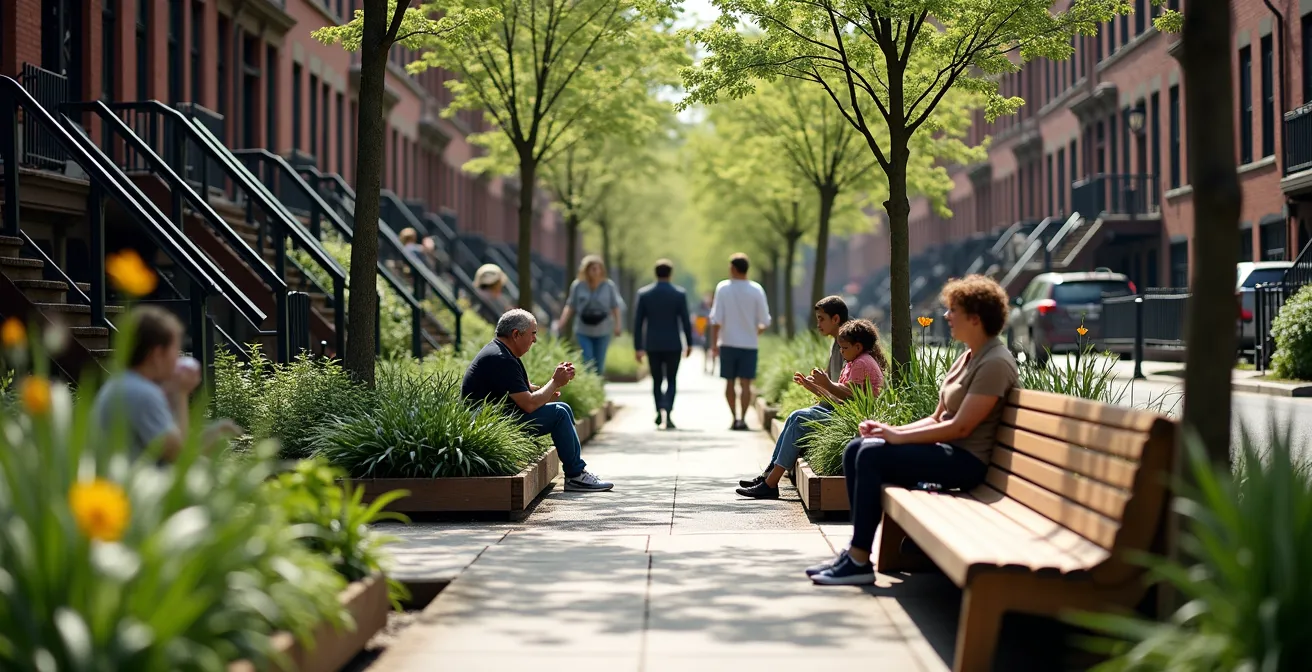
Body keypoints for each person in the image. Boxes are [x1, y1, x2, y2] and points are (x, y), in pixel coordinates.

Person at [809, 275, 1019, 585]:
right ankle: (856, 553)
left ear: (975, 318)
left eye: (953, 310)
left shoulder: (995, 363)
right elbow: (937, 417)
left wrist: (897, 437)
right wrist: (889, 429)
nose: (946, 316)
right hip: (949, 452)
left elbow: (960, 428)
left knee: (870, 456)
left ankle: (858, 559)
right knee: (858, 447)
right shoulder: (968, 357)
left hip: (966, 462)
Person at [737, 315, 889, 499]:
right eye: (840, 347)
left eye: (845, 348)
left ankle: (770, 483)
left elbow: (850, 395)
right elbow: (838, 399)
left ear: (858, 346)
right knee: (795, 416)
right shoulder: (853, 362)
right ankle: (768, 476)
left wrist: (826, 383)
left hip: (854, 418)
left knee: (800, 419)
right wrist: (813, 386)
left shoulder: (862, 362)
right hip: (842, 411)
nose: (841, 352)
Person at [461, 309, 613, 492]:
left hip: (497, 418)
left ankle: (576, 473)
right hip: (487, 424)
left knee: (561, 407)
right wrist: (555, 382)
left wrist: (547, 390)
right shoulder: (500, 359)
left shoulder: (502, 352)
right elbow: (529, 404)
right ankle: (575, 476)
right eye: (533, 333)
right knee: (559, 414)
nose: (535, 339)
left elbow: (523, 389)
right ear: (516, 334)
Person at [93, 306, 239, 462]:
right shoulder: (142, 394)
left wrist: (214, 432)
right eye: (175, 348)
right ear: (157, 354)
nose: (178, 356)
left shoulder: (124, 383)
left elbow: (174, 440)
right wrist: (180, 393)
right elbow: (180, 457)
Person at [709, 253, 771, 430]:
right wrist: (754, 333)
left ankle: (733, 418)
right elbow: (765, 321)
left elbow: (715, 320)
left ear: (733, 268)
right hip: (749, 344)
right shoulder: (756, 289)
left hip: (727, 342)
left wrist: (714, 345)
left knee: (729, 382)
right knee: (746, 383)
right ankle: (743, 419)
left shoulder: (723, 288)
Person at [633, 259, 694, 429]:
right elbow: (685, 320)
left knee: (657, 380)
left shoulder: (644, 294)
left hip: (652, 344)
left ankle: (660, 410)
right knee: (672, 379)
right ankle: (668, 409)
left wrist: (638, 347)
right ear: (670, 274)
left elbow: (638, 323)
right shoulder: (679, 294)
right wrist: (689, 343)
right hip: (673, 343)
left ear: (656, 273)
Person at [560, 255, 624, 375]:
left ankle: (597, 388)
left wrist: (618, 325)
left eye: (597, 268)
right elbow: (570, 305)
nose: (595, 271)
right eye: (592, 268)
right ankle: (589, 386)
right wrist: (563, 321)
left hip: (603, 329)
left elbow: (615, 307)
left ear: (601, 270)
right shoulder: (578, 285)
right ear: (586, 270)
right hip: (583, 329)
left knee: (599, 363)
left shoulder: (609, 286)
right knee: (587, 360)